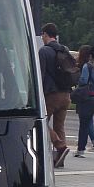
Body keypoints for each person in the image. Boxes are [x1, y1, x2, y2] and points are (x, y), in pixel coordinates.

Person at [39, 23, 72, 167]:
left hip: (51, 95)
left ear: (45, 35)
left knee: (41, 123)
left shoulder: (44, 51)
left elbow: (40, 74)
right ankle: (60, 160)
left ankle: (60, 147)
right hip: (66, 94)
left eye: (42, 35)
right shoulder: (64, 49)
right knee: (60, 127)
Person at [75, 45, 94, 151]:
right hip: (93, 93)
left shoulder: (81, 66)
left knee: (84, 120)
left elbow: (81, 80)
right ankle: (93, 142)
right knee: (89, 120)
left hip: (83, 94)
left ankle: (87, 143)